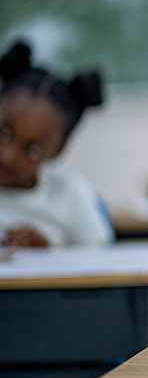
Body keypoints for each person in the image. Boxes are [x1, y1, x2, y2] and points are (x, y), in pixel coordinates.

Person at [0, 41, 112, 247]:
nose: (7, 155)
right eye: (4, 133)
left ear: (58, 149)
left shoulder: (70, 193)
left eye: (32, 149)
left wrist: (48, 255)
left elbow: (102, 261)